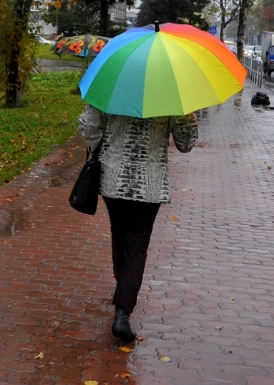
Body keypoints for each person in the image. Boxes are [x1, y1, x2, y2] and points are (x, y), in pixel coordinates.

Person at [78, 104, 198, 342]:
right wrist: (187, 111)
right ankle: (122, 314)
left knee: (120, 234)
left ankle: (123, 290)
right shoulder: (171, 95)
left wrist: (101, 144)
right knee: (136, 244)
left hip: (113, 178)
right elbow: (186, 143)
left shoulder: (110, 89)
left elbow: (89, 129)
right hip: (149, 183)